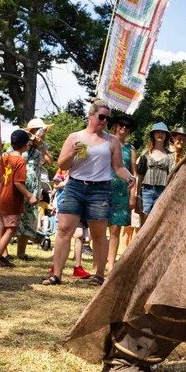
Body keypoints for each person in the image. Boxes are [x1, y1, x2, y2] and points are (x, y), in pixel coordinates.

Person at [41, 99, 135, 286]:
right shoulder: (75, 137)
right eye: (101, 117)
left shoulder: (112, 140)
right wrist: (72, 153)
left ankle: (99, 275)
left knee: (99, 234)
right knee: (64, 230)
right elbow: (62, 165)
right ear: (91, 115)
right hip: (75, 186)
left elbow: (118, 167)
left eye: (107, 119)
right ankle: (56, 274)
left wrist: (130, 178)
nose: (104, 122)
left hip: (100, 189)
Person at [0, 130, 36, 268]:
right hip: (12, 199)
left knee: (2, 228)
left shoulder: (5, 158)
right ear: (26, 145)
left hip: (2, 197)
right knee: (11, 228)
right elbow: (17, 182)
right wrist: (30, 195)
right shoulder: (20, 161)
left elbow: (1, 179)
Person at [12, 118, 54, 260]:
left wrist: (41, 145)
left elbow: (50, 161)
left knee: (29, 218)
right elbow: (10, 155)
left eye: (43, 130)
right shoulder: (22, 141)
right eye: (39, 130)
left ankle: (21, 252)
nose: (42, 133)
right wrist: (29, 140)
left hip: (34, 187)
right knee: (11, 217)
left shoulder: (43, 145)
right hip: (17, 185)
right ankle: (2, 252)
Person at [107, 115, 137, 271]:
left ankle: (110, 265)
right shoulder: (105, 142)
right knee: (98, 227)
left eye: (127, 126)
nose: (124, 127)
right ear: (115, 125)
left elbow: (134, 173)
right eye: (121, 124)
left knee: (115, 229)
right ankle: (98, 263)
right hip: (103, 188)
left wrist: (133, 195)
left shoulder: (130, 149)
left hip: (122, 192)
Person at [136, 122, 175, 225]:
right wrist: (138, 196)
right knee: (144, 222)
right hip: (146, 191)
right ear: (153, 134)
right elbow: (140, 176)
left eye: (163, 132)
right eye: (157, 132)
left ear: (166, 135)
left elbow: (172, 177)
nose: (160, 134)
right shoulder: (145, 153)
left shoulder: (170, 156)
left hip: (162, 192)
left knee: (158, 223)